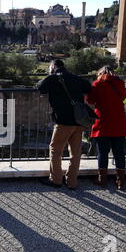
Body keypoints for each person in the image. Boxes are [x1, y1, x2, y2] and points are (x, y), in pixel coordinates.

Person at [37, 59, 92, 190]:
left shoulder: (53, 78)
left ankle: (56, 179)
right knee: (75, 152)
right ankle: (72, 182)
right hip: (79, 121)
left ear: (53, 67)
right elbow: (88, 87)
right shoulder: (75, 78)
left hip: (63, 121)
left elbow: (40, 87)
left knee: (55, 150)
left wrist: (50, 74)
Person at [86, 66, 126, 190]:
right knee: (119, 152)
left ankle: (102, 179)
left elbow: (90, 100)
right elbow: (123, 97)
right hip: (119, 121)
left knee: (103, 152)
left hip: (103, 122)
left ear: (100, 73)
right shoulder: (120, 83)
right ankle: (121, 181)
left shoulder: (97, 83)